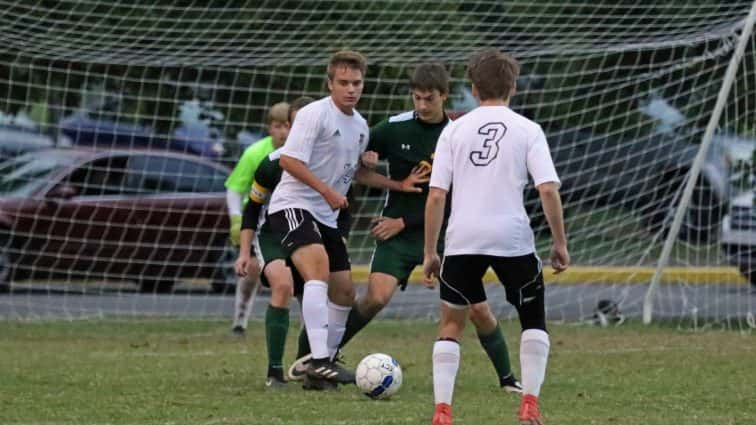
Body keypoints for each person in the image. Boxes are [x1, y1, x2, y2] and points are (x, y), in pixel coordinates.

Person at [287, 63, 521, 395]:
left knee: (478, 310)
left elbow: (458, 193)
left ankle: (508, 378)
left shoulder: (460, 132)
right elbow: (357, 168)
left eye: (429, 99)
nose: (422, 106)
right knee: (375, 298)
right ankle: (314, 359)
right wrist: (366, 158)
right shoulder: (392, 128)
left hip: (445, 236)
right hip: (396, 237)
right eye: (417, 98)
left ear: (444, 95)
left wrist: (404, 221)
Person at [267, 50, 430, 390]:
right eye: (343, 83)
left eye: (356, 83)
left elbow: (357, 173)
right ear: (330, 84)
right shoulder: (314, 114)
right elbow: (290, 162)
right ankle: (320, 360)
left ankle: (319, 366)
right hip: (294, 205)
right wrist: (326, 191)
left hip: (326, 215)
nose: (351, 89)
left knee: (343, 293)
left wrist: (396, 184)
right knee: (318, 269)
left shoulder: (359, 126)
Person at [423, 48, 569, 425]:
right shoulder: (528, 130)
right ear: (513, 87)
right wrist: (559, 243)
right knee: (532, 319)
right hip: (512, 238)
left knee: (451, 324)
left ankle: (443, 411)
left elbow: (437, 194)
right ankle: (530, 405)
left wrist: (429, 251)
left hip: (463, 239)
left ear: (472, 89)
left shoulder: (453, 129)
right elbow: (548, 190)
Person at [225, 102, 291, 336]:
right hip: (259, 217)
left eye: (287, 125)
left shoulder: (302, 152)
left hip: (290, 217)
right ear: (268, 128)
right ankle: (240, 319)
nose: (283, 132)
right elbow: (234, 189)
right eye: (277, 126)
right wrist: (235, 219)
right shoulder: (254, 153)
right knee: (251, 269)